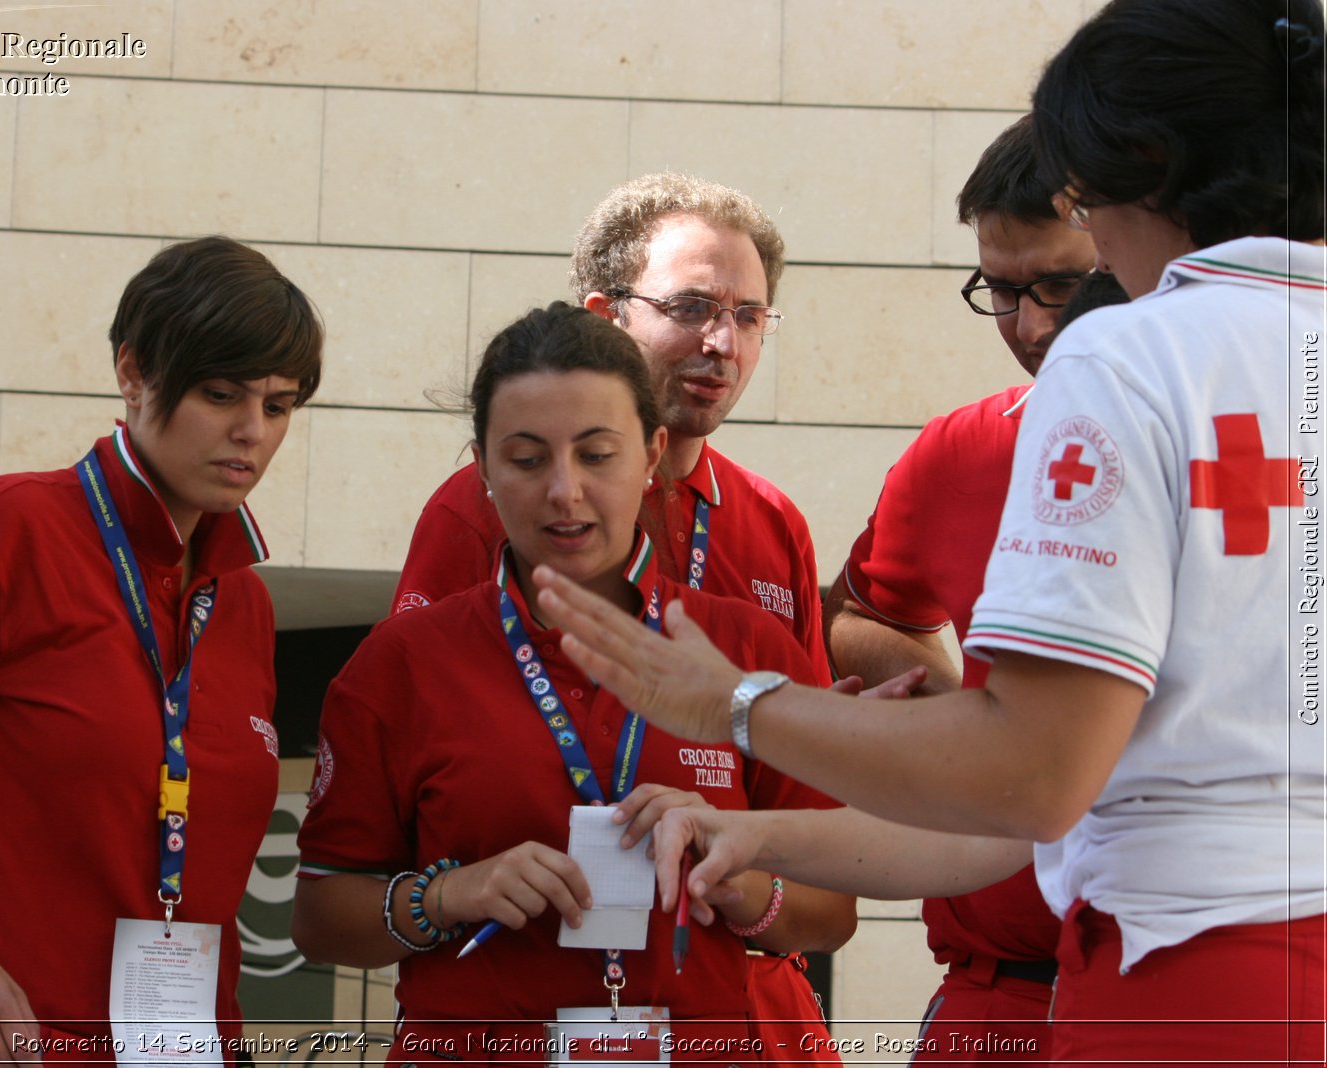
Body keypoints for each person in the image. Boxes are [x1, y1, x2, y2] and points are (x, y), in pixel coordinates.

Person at [531, 1, 1327, 1063]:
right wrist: (767, 826)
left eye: (1083, 210)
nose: (1045, 316)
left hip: (1192, 974)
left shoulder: (1132, 356)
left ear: (1141, 170)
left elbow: (1033, 776)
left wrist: (730, 703)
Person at [0, 236, 324, 1065]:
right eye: (221, 394)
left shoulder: (242, 600)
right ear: (135, 372)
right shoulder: (4, 532)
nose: (251, 431)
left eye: (279, 406)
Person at [292, 304, 854, 1064]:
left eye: (596, 455)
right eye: (527, 459)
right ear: (482, 468)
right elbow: (323, 916)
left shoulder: (747, 647)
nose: (565, 491)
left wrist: (732, 872)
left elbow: (831, 912)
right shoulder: (402, 664)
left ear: (653, 452)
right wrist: (449, 895)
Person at [390, 172, 846, 1051]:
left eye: (751, 317)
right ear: (604, 314)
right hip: (525, 999)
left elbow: (817, 826)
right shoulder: (475, 513)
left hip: (741, 1006)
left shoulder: (771, 521)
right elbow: (414, 770)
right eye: (692, 307)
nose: (723, 342)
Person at [819, 118, 1115, 1062]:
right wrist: (965, 715)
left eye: (1060, 287)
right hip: (998, 1004)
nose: (1029, 328)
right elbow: (860, 614)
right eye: (1002, 290)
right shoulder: (961, 449)